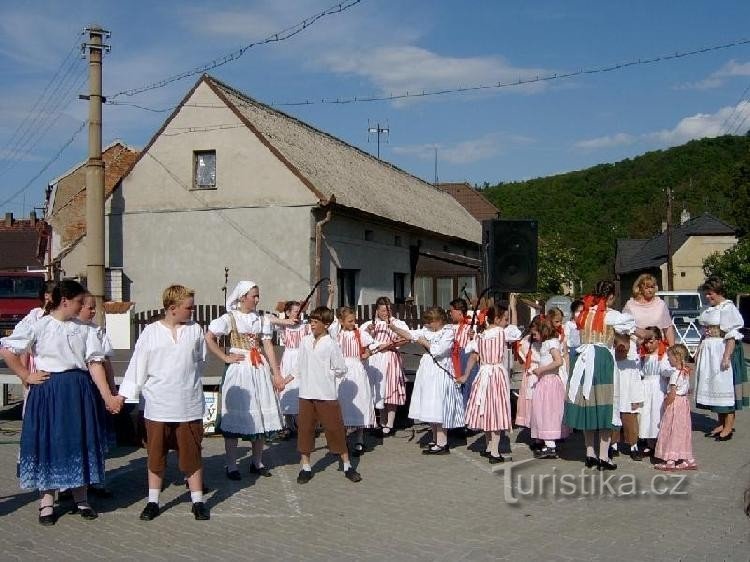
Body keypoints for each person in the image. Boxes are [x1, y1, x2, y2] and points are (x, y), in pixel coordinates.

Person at [0, 280, 122, 526]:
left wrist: (108, 395)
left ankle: (81, 497)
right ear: (65, 301)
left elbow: (95, 363)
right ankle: (47, 501)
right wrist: (25, 375)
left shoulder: (84, 328)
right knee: (50, 442)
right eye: (78, 302)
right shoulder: (40, 325)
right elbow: (7, 349)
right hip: (48, 391)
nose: (81, 306)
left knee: (78, 440)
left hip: (78, 390)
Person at [118, 284, 210, 521]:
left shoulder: (195, 330)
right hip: (158, 406)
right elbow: (138, 366)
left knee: (192, 455)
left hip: (188, 406)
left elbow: (199, 361)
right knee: (156, 457)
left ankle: (197, 501)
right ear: (172, 308)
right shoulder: (150, 332)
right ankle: (153, 501)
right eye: (189, 307)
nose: (192, 311)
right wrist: (122, 396)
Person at [205, 281, 285, 480]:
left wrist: (276, 373)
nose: (257, 299)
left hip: (258, 368)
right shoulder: (230, 318)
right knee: (234, 415)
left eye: (258, 295)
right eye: (253, 295)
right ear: (242, 297)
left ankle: (256, 462)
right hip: (239, 369)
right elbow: (209, 337)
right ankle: (231, 465)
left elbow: (267, 345)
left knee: (260, 414)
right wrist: (225, 357)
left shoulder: (261, 319)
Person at [563, 280, 635, 471]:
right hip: (602, 360)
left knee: (588, 405)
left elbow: (573, 340)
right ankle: (603, 456)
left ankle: (589, 454)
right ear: (610, 296)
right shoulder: (610, 315)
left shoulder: (583, 313)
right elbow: (629, 325)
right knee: (606, 407)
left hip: (583, 360)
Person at [292, 306, 361, 484]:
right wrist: (282, 381)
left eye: (315, 322)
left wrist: (327, 375)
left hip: (326, 394)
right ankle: (306, 467)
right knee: (305, 430)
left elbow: (341, 369)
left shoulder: (331, 344)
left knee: (334, 429)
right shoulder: (305, 341)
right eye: (311, 322)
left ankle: (347, 465)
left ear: (326, 324)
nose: (312, 326)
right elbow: (298, 366)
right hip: (306, 393)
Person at [390, 307, 465, 455]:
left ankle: (442, 443)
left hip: (440, 372)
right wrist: (393, 328)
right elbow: (410, 334)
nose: (428, 325)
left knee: (439, 406)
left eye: (430, 322)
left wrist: (424, 342)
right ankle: (436, 438)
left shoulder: (448, 332)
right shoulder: (426, 330)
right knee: (430, 404)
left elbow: (439, 350)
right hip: (427, 371)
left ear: (438, 321)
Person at [462, 303, 521, 463]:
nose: (507, 322)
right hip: (495, 374)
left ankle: (489, 447)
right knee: (496, 411)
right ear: (497, 318)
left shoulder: (480, 336)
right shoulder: (501, 332)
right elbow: (516, 332)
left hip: (483, 375)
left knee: (486, 409)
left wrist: (466, 375)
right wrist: (513, 308)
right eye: (505, 319)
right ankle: (494, 451)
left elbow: (473, 356)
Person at [694, 276, 747, 440]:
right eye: (706, 294)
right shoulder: (710, 309)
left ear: (718, 292)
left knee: (725, 388)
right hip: (709, 351)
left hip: (721, 350)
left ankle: (728, 427)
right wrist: (698, 351)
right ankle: (720, 423)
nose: (707, 297)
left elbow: (731, 336)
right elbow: (704, 333)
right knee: (714, 387)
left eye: (710, 294)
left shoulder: (728, 308)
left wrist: (726, 357)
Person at [330, 306, 377, 455]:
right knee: (342, 404)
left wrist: (367, 354)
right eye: (349, 321)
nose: (353, 323)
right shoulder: (336, 334)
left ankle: (359, 439)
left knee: (360, 402)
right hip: (342, 372)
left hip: (357, 370)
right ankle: (341, 439)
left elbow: (371, 348)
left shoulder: (360, 333)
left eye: (354, 320)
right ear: (341, 321)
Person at [362, 296, 409, 436]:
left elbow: (406, 338)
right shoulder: (369, 325)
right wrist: (370, 333)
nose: (385, 313)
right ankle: (381, 423)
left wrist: (392, 343)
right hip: (375, 359)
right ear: (377, 310)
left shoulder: (398, 323)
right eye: (383, 310)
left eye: (387, 310)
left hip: (390, 357)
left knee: (390, 389)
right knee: (378, 390)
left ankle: (390, 423)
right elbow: (362, 340)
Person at [529, 317, 568, 459]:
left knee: (547, 412)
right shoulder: (547, 343)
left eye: (535, 333)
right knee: (544, 412)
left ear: (542, 330)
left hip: (549, 382)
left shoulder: (551, 343)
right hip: (546, 381)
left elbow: (558, 361)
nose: (534, 337)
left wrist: (541, 369)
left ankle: (551, 445)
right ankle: (548, 442)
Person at [654, 344, 697, 470]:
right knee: (682, 431)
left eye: (670, 357)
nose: (668, 360)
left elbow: (672, 393)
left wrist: (666, 403)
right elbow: (687, 389)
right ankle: (688, 459)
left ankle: (670, 460)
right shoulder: (686, 372)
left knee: (671, 430)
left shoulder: (675, 374)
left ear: (677, 358)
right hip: (683, 403)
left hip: (675, 404)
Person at [275, 300, 310, 439]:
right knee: (287, 390)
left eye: (299, 311)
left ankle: (302, 425)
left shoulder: (305, 326)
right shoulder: (284, 327)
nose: (298, 313)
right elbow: (270, 319)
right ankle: (289, 425)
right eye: (295, 311)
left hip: (301, 358)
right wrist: (285, 321)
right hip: (288, 358)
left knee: (301, 390)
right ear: (288, 313)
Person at [638, 326, 671, 456]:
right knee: (646, 414)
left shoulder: (664, 354)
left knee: (657, 413)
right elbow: (640, 371)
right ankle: (649, 443)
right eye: (646, 342)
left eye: (651, 342)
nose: (648, 345)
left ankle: (660, 443)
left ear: (658, 340)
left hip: (658, 387)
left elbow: (667, 370)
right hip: (646, 386)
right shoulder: (643, 355)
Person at [612, 332, 644, 461]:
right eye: (619, 348)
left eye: (625, 347)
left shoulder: (631, 365)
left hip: (628, 399)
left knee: (630, 424)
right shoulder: (611, 363)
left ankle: (633, 446)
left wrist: (636, 399)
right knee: (613, 424)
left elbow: (636, 382)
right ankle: (613, 446)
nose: (622, 351)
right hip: (614, 399)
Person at [622, 273, 675, 348]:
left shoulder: (661, 304)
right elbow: (624, 328)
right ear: (640, 288)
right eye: (647, 288)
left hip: (657, 347)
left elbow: (668, 328)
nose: (650, 290)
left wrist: (672, 348)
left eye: (652, 287)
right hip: (636, 347)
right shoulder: (630, 305)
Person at [513, 317, 542, 430]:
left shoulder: (547, 342)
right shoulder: (527, 340)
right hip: (531, 373)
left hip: (542, 373)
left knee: (541, 404)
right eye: (532, 333)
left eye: (535, 333)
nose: (534, 336)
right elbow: (521, 353)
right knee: (531, 403)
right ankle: (536, 434)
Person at [448, 298, 476, 404]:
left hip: (466, 359)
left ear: (459, 312)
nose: (450, 313)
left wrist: (473, 336)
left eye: (452, 311)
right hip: (456, 359)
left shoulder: (470, 327)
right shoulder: (454, 327)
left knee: (467, 388)